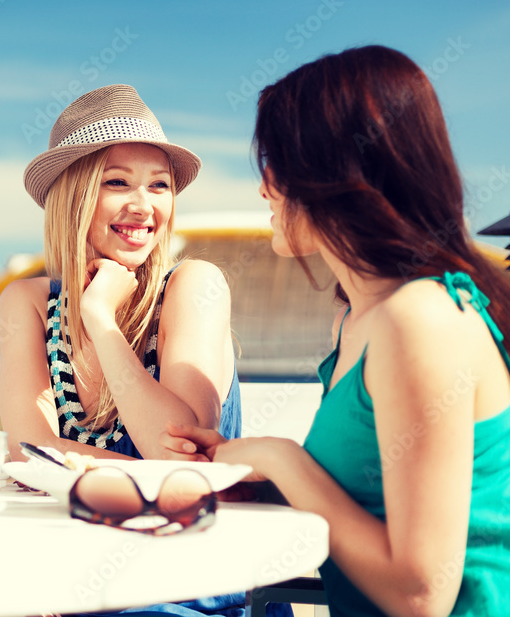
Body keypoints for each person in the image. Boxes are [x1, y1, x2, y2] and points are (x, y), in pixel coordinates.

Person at [165, 46, 510, 616]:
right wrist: (252, 474)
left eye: (274, 159)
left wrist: (282, 459)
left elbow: (421, 594)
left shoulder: (421, 320)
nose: (263, 187)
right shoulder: (358, 318)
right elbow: (367, 505)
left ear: (330, 170)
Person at [0, 84, 260, 617]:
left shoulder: (194, 287)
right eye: (117, 182)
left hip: (184, 587)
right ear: (72, 197)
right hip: (74, 579)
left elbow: (174, 453)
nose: (144, 206)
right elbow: (25, 451)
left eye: (159, 186)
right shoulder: (26, 302)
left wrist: (101, 321)